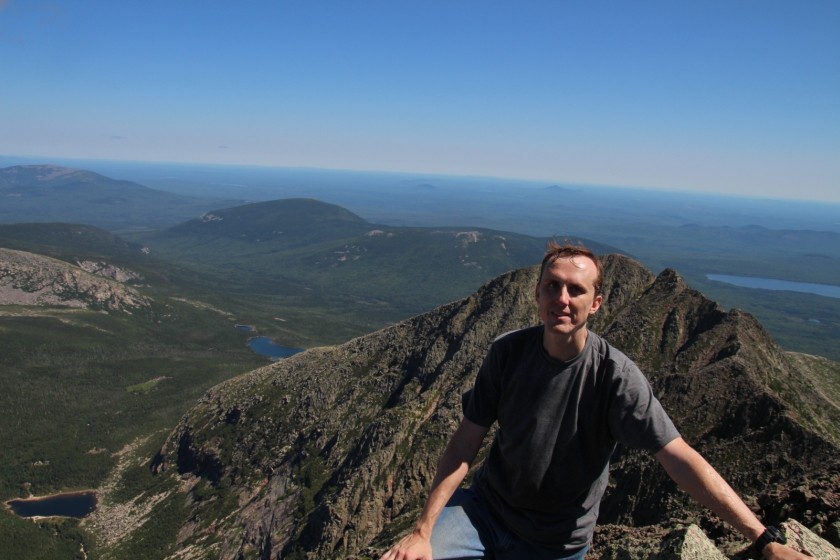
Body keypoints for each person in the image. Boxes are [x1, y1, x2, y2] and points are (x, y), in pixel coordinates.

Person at [381, 242, 810, 560]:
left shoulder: (615, 377)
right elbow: (464, 444)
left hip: (556, 543)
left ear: (596, 303)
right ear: (537, 294)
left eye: (575, 290)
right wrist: (422, 530)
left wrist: (762, 539)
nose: (562, 299)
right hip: (484, 514)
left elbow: (680, 458)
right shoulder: (507, 352)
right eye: (552, 286)